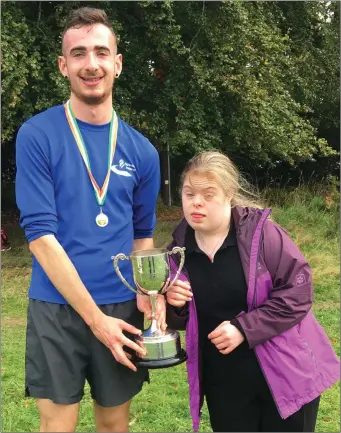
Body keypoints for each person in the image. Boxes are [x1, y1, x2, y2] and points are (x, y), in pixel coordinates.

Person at [15, 7, 165, 432]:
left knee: (115, 425)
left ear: (117, 63)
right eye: (79, 53)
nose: (91, 63)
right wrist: (95, 322)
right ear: (64, 66)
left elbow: (142, 239)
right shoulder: (37, 135)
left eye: (102, 51)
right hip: (56, 308)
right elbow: (41, 238)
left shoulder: (143, 153)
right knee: (56, 426)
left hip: (119, 304)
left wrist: (148, 292)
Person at [165, 151, 340, 432]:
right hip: (224, 382)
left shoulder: (263, 236)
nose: (196, 202)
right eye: (189, 193)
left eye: (208, 194)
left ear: (229, 194)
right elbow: (178, 320)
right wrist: (174, 305)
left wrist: (244, 328)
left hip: (285, 376)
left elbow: (299, 293)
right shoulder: (177, 252)